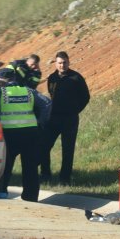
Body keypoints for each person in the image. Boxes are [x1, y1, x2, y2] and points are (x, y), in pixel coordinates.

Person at [0, 67, 50, 201]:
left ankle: (2, 191)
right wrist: (40, 123)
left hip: (9, 134)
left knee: (6, 165)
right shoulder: (28, 91)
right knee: (30, 167)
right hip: (30, 133)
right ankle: (30, 196)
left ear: (0, 80)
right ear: (14, 78)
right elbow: (47, 103)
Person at [41, 51, 90, 185]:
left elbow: (85, 97)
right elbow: (51, 95)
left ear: (69, 62)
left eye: (64, 62)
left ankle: (64, 179)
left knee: (68, 150)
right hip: (53, 119)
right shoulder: (51, 78)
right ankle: (45, 176)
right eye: (59, 63)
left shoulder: (76, 78)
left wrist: (74, 110)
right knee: (44, 146)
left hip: (70, 120)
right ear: (55, 64)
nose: (62, 65)